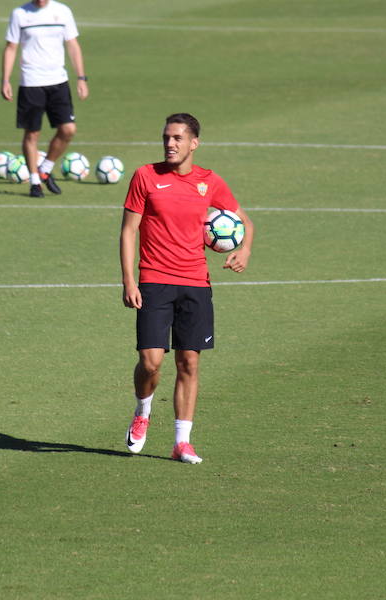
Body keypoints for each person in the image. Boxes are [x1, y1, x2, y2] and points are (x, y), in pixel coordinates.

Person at [119, 113, 254, 464]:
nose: (170, 143)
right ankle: (143, 410)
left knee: (189, 363)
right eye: (166, 137)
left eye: (178, 138)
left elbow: (245, 221)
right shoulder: (145, 176)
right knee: (150, 363)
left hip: (195, 283)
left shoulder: (209, 182)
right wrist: (128, 280)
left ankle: (182, 442)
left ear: (194, 143)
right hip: (153, 280)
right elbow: (128, 231)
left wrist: (245, 249)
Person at [1, 0, 89, 198]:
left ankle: (45, 168)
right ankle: (34, 181)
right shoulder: (20, 14)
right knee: (32, 134)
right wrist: (5, 80)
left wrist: (81, 78)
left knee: (68, 129)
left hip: (58, 81)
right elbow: (11, 48)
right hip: (31, 82)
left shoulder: (63, 11)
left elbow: (73, 44)